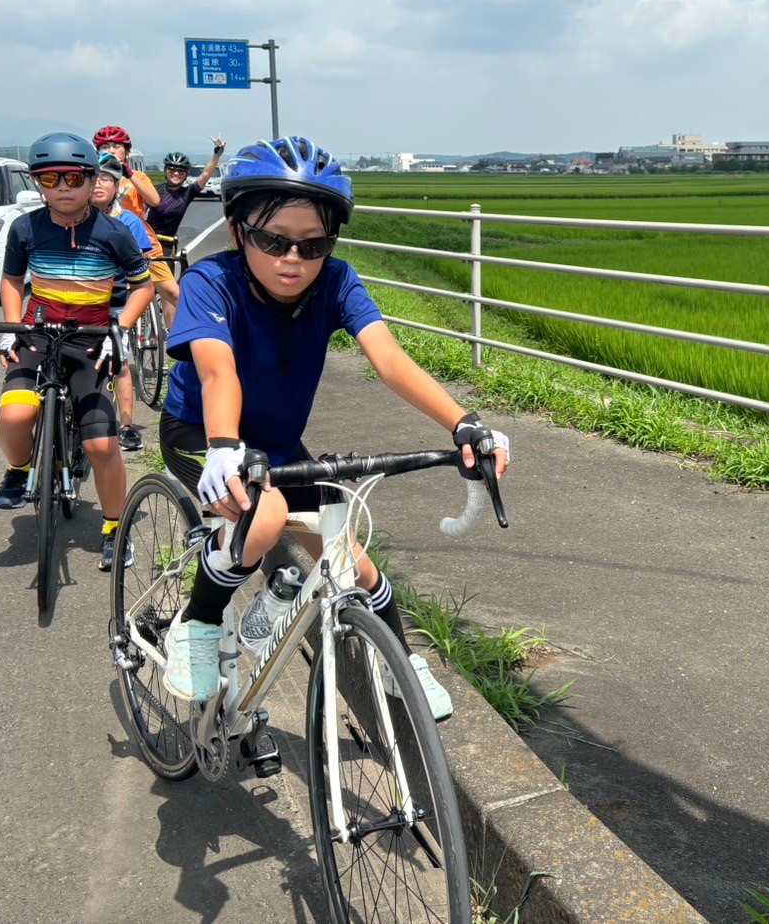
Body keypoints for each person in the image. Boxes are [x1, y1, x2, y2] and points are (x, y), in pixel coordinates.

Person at [158, 136, 511, 711]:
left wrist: (464, 423)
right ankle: (197, 623)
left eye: (312, 244)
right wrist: (224, 446)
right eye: (274, 240)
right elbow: (218, 372)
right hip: (202, 434)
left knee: (349, 553)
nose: (293, 259)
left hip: (275, 446)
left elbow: (391, 361)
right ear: (237, 229)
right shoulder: (209, 283)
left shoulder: (337, 281)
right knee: (265, 512)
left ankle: (398, 660)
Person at [0, 133, 154, 573]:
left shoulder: (114, 233)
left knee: (101, 444)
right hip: (37, 333)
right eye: (50, 178)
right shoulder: (25, 228)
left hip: (90, 337)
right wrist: (11, 329)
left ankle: (115, 528)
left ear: (91, 180)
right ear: (37, 183)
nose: (62, 187)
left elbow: (144, 286)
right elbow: (12, 279)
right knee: (16, 415)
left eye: (73, 178)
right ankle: (21, 468)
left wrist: (117, 329)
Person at [93, 124, 177, 451]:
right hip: (99, 278)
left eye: (117, 147)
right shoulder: (81, 194)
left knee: (171, 290)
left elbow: (155, 200)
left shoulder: (132, 177)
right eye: (105, 147)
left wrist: (128, 173)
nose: (111, 152)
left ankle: (178, 339)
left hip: (142, 247)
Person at [147, 138, 226, 328]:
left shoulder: (187, 193)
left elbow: (206, 174)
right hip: (146, 243)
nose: (175, 173)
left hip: (166, 247)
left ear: (186, 175)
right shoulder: (153, 190)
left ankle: (170, 335)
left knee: (169, 293)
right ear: (165, 171)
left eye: (180, 171)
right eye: (172, 169)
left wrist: (217, 154)